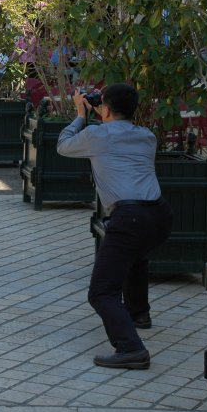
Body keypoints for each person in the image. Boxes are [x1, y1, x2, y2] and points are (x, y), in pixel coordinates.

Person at [56, 83, 173, 369]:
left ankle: (131, 348)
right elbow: (118, 136)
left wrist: (81, 114)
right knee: (136, 256)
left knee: (101, 292)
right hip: (160, 216)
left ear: (105, 109)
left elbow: (63, 145)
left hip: (129, 217)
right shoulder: (147, 136)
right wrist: (104, 113)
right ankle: (138, 314)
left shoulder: (96, 135)